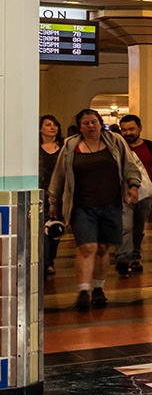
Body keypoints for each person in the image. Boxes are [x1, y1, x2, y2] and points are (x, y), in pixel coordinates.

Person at [47, 108, 142, 311]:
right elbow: (59, 175)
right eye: (85, 123)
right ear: (79, 126)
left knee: (101, 248)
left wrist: (133, 186)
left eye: (94, 122)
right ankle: (83, 291)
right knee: (87, 247)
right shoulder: (71, 146)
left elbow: (130, 165)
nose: (90, 126)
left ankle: (98, 288)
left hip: (111, 204)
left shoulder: (115, 141)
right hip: (81, 206)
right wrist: (53, 202)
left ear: (100, 123)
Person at [115, 115, 152, 277]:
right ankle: (124, 257)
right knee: (125, 225)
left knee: (139, 226)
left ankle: (135, 256)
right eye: (124, 129)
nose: (127, 133)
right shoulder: (117, 147)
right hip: (123, 194)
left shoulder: (150, 146)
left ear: (140, 128)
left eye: (131, 129)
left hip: (144, 194)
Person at [39, 115, 63, 278]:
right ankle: (45, 262)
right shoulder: (35, 148)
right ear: (40, 129)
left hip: (59, 195)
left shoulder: (63, 148)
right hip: (41, 194)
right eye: (48, 125)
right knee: (42, 230)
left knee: (55, 230)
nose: (52, 128)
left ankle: (50, 259)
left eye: (55, 125)